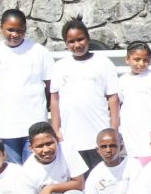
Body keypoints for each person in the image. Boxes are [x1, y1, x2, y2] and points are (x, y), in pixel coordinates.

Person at [49, 16, 121, 170]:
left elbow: (113, 98)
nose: (77, 44)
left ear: (88, 38)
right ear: (66, 43)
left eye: (80, 39)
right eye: (72, 41)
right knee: (78, 181)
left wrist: (114, 129)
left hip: (98, 134)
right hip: (71, 137)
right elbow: (54, 100)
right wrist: (56, 130)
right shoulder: (59, 67)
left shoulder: (103, 63)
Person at [0, 9, 55, 163]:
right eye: (10, 30)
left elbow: (50, 86)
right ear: (1, 28)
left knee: (35, 166)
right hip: (7, 124)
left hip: (35, 122)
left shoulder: (39, 52)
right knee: (14, 169)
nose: (15, 34)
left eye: (20, 30)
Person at [118, 43, 151, 159]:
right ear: (127, 59)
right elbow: (119, 104)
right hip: (130, 130)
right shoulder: (122, 81)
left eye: (145, 60)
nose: (141, 64)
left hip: (150, 127)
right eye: (136, 60)